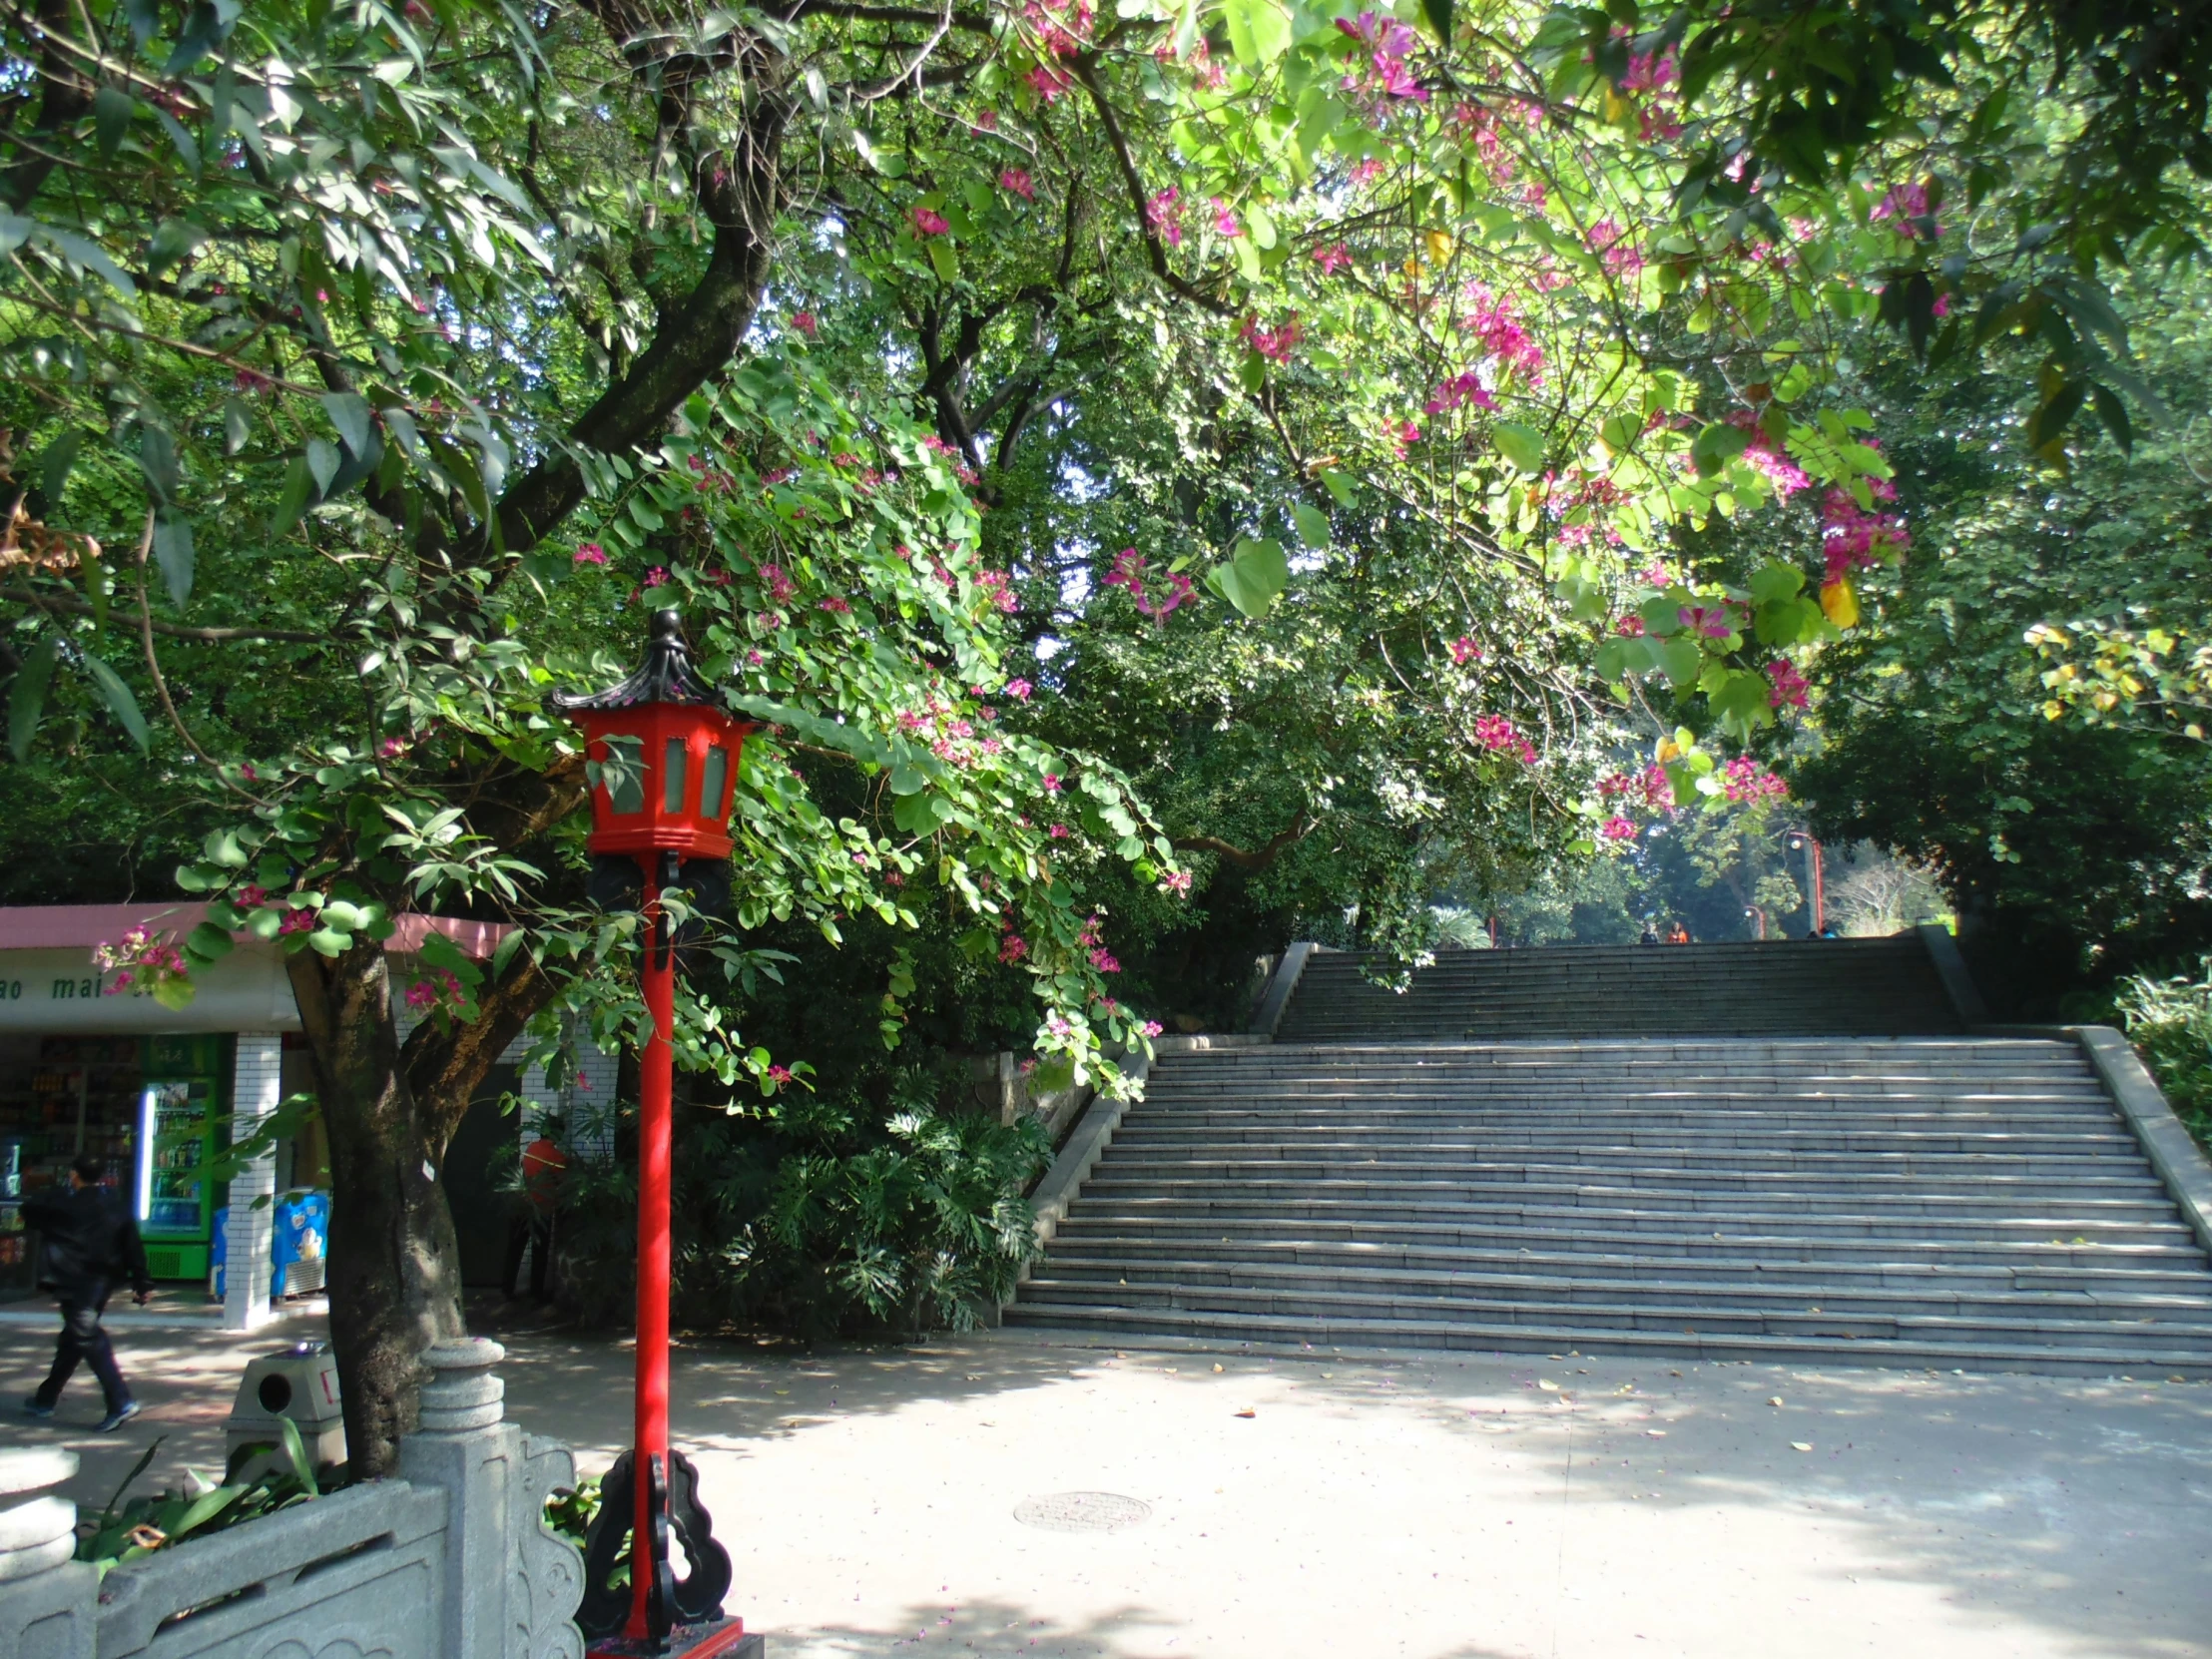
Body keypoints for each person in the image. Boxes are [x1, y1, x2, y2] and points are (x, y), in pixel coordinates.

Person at [21, 1154, 154, 1430]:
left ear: (74, 1175)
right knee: (72, 1340)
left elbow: (28, 1210)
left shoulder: (61, 1205)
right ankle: (45, 1399)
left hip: (72, 1282)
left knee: (86, 1335)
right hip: (102, 1283)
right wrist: (142, 1283)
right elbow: (133, 1247)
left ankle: (120, 1401)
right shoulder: (116, 1208)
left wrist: (56, 1189)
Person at [503, 1126, 569, 1302]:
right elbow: (563, 1180)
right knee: (540, 1252)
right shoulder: (557, 1156)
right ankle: (536, 1294)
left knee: (515, 1249)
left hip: (521, 1204)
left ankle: (507, 1290)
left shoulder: (531, 1148)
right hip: (542, 1208)